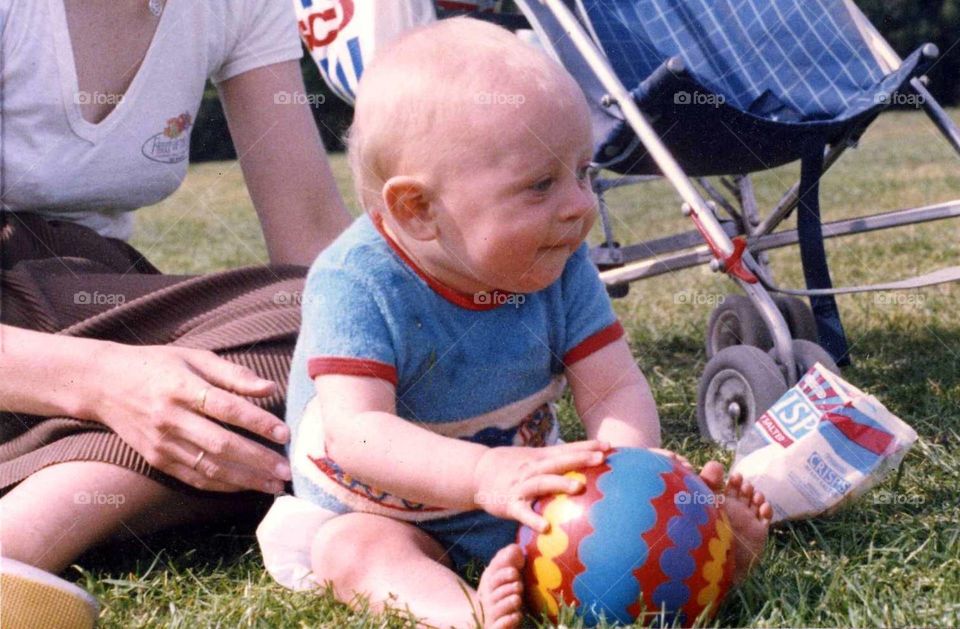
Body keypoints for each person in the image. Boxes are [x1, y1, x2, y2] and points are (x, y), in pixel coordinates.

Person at [265, 17, 771, 629]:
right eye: (541, 185)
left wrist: (631, 482)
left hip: (526, 495)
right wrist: (481, 475)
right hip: (383, 509)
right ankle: (463, 612)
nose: (582, 204)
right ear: (418, 209)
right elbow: (359, 433)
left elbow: (610, 385)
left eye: (584, 172)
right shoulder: (356, 281)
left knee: (627, 536)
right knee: (355, 553)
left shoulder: (558, 263)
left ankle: (704, 553)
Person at [0, 0, 351, 626]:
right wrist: (107, 381)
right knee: (295, 424)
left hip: (84, 295)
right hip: (25, 322)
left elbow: (313, 246)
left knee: (331, 344)